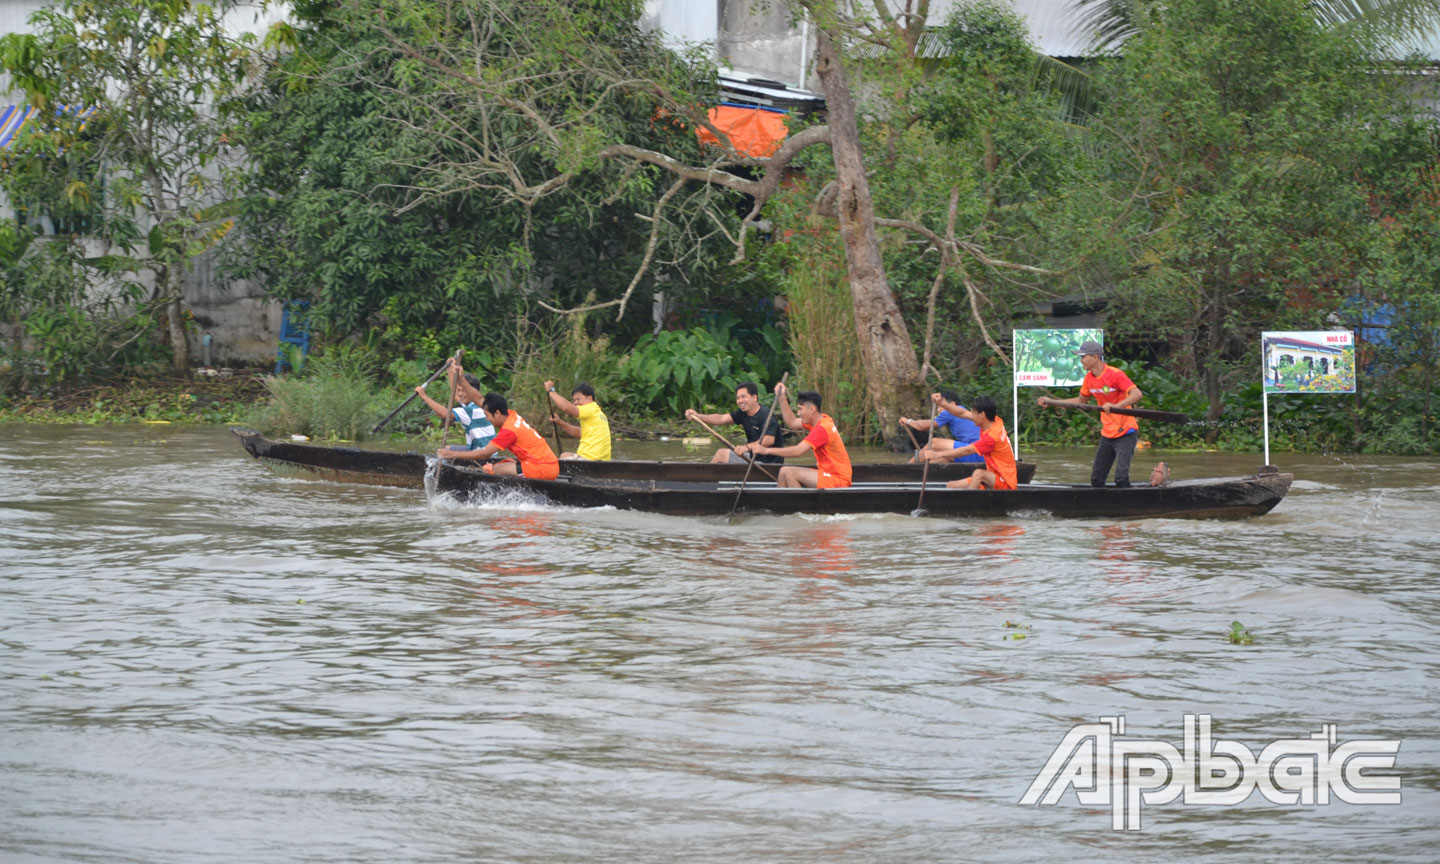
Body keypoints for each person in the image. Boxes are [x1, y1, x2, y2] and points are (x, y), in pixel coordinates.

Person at [1035, 339, 1144, 488]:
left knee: (1121, 478)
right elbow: (1081, 401)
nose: (1081, 361)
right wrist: (1052, 402)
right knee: (1097, 480)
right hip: (1107, 433)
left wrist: (1116, 406)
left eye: (1083, 357)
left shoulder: (1115, 374)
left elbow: (1137, 394)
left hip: (1126, 432)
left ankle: (1128, 505)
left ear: (1095, 357)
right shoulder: (1089, 379)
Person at [750, 383, 852, 489]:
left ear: (812, 409)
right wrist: (782, 398)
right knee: (783, 471)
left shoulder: (822, 428)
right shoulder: (820, 420)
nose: (798, 413)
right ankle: (779, 503)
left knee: (790, 472)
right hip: (827, 474)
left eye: (800, 409)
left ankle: (801, 505)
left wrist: (766, 450)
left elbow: (797, 451)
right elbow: (792, 422)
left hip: (838, 479)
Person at [437, 392, 559, 480]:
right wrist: (461, 377)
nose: (487, 419)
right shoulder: (512, 415)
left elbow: (484, 454)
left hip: (543, 469)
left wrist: (451, 454)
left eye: (487, 415)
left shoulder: (508, 431)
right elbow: (479, 399)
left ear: (497, 413)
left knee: (490, 469)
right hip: (550, 465)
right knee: (503, 463)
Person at [684, 381, 785, 465]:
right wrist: (698, 416)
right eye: (738, 398)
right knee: (721, 453)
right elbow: (721, 418)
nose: (740, 401)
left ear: (754, 397)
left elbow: (769, 440)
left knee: (723, 455)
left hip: (768, 464)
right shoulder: (742, 413)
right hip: (753, 458)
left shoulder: (765, 414)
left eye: (743, 397)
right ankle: (706, 481)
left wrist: (746, 448)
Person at [935, 395, 1018, 490]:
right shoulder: (994, 420)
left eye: (973, 413)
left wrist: (938, 454)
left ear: (982, 414)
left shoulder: (991, 438)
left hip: (1006, 482)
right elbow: (962, 413)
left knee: (978, 473)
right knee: (951, 486)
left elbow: (966, 450)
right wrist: (943, 403)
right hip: (992, 476)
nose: (971, 415)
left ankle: (969, 502)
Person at [414, 361, 496, 451]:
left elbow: (446, 414)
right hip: (476, 449)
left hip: (482, 453)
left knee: (443, 451)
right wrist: (449, 369)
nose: (460, 394)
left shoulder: (471, 410)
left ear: (472, 391)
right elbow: (455, 394)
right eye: (459, 390)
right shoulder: (477, 404)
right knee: (447, 448)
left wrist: (424, 396)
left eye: (463, 390)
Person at [899, 389, 985, 466]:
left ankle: (908, 466)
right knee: (935, 461)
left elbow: (923, 426)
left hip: (976, 452)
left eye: (940, 406)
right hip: (975, 453)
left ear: (952, 404)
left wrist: (908, 421)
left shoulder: (951, 411)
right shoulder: (962, 411)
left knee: (934, 443)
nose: (938, 410)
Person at [545, 379, 611, 461]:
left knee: (563, 456)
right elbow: (579, 433)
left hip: (591, 459)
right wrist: (560, 422)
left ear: (590, 399)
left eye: (578, 399)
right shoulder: (596, 413)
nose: (575, 403)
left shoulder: (591, 407)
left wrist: (551, 391)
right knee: (565, 455)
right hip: (601, 460)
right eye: (574, 400)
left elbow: (567, 408)